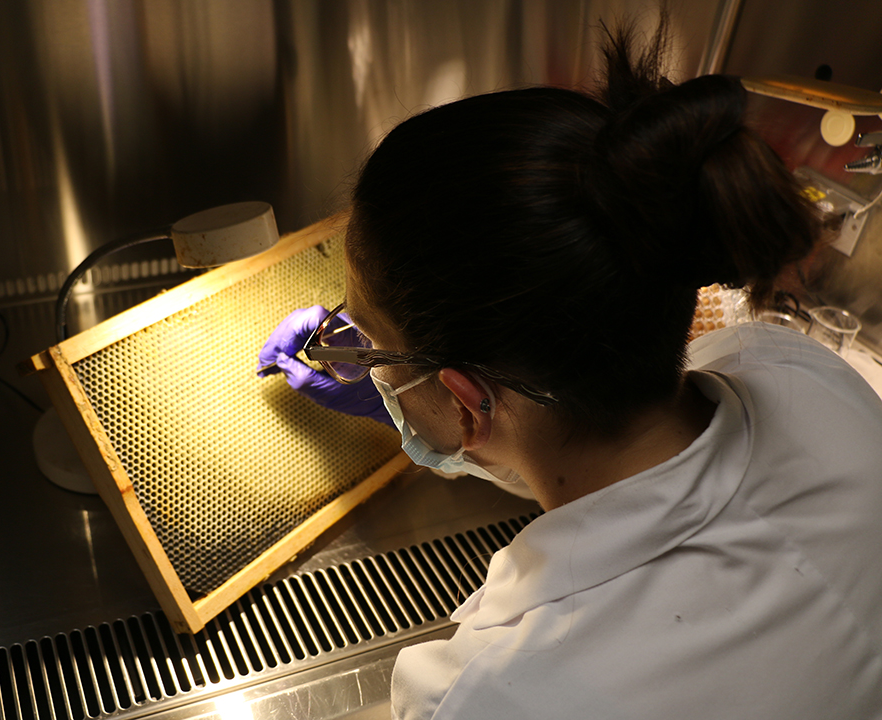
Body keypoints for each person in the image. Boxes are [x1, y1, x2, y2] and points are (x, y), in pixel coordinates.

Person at [257, 14, 882, 720]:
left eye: (366, 345)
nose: (361, 362)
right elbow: (620, 465)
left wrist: (440, 424)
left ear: (466, 402)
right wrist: (432, 416)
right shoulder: (798, 371)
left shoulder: (492, 697)